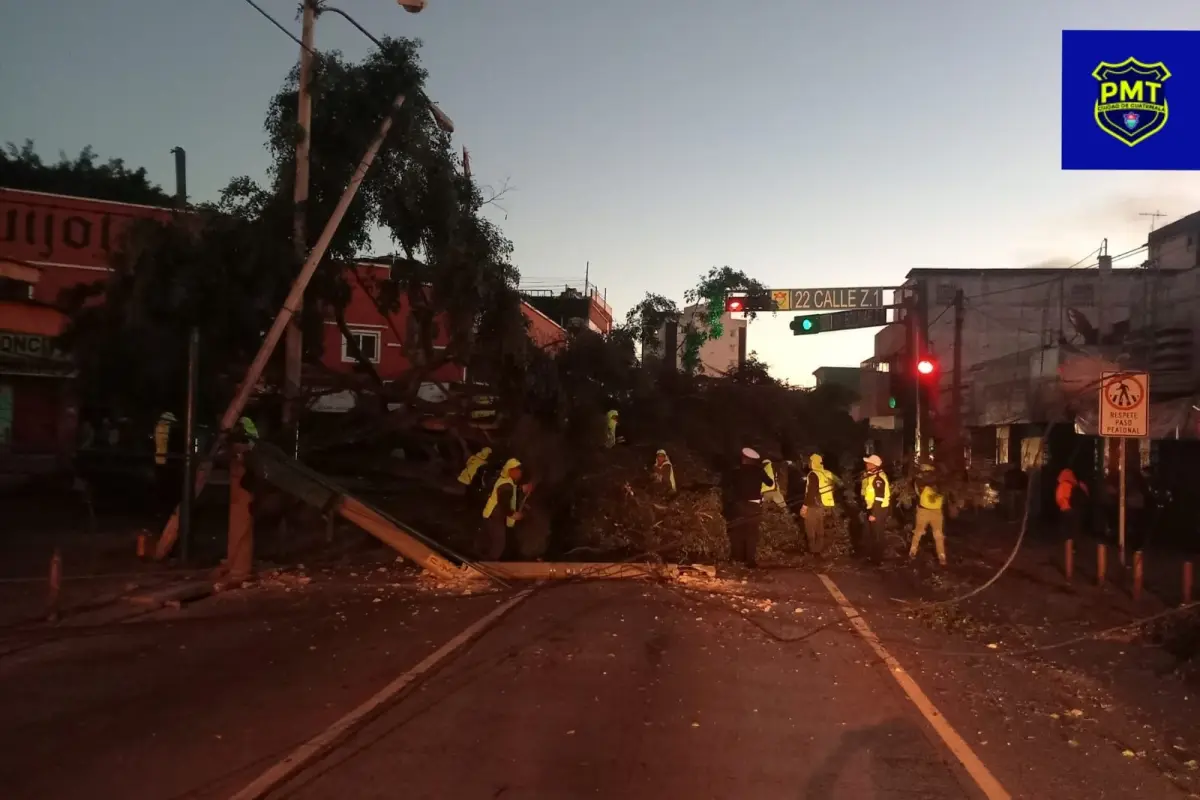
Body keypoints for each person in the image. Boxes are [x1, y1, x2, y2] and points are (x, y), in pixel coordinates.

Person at [727, 447, 770, 568]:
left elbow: (728, 485)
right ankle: (750, 561)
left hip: (738, 505)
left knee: (738, 531)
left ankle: (737, 558)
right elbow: (770, 483)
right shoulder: (759, 471)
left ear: (744, 459)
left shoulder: (736, 471)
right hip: (754, 505)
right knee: (752, 533)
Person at [480, 458, 523, 560]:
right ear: (510, 471)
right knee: (498, 545)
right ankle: (487, 568)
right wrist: (513, 514)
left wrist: (521, 488)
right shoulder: (506, 485)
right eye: (518, 470)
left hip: (491, 515)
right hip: (494, 516)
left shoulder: (505, 480)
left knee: (490, 541)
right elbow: (504, 503)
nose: (520, 472)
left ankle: (482, 560)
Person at [910, 462, 947, 566]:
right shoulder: (940, 481)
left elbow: (917, 492)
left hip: (923, 510)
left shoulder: (919, 480)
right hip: (937, 511)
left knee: (918, 532)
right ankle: (942, 556)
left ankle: (912, 552)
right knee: (938, 535)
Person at [801, 453, 837, 555]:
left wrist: (804, 506)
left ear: (813, 462)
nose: (808, 463)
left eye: (810, 461)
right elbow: (837, 484)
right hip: (825, 504)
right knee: (819, 526)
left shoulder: (813, 474)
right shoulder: (827, 473)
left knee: (810, 527)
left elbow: (811, 492)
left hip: (814, 504)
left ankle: (813, 551)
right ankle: (819, 550)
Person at [860, 454, 890, 563]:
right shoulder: (871, 476)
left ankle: (877, 559)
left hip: (878, 509)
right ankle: (870, 556)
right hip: (872, 508)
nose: (867, 464)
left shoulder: (878, 478)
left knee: (877, 534)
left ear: (874, 465)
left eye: (869, 463)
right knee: (869, 533)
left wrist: (874, 513)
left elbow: (879, 498)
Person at [1055, 468, 1088, 543]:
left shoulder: (1061, 486)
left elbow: (1059, 498)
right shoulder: (1076, 485)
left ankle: (1068, 546)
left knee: (1067, 529)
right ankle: (1073, 546)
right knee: (1074, 529)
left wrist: (1063, 505)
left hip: (1065, 510)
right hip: (1075, 510)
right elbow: (1086, 494)